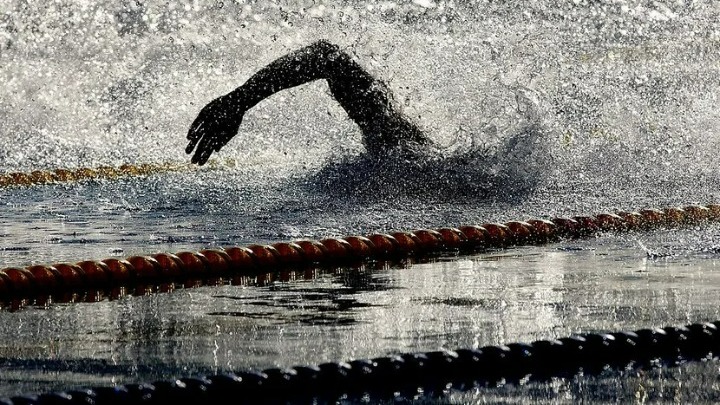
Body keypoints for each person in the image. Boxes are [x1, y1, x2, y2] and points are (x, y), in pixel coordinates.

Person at [185, 40, 436, 166]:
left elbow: (326, 57)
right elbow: (326, 56)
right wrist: (237, 101)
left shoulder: (410, 160)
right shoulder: (402, 151)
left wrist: (238, 101)